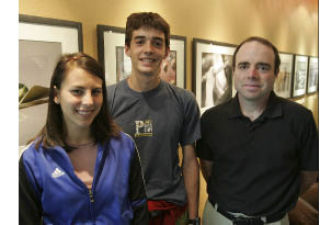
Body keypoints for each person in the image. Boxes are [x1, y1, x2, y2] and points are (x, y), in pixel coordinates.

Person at [196, 36, 318, 225]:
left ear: (276, 73)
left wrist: (278, 199)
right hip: (219, 219)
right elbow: (208, 170)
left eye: (263, 67)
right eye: (244, 66)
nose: (252, 74)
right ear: (234, 71)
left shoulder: (300, 119)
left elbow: (308, 175)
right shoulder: (212, 119)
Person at [19, 53, 149, 225]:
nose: (88, 101)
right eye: (77, 92)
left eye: (96, 91)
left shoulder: (124, 146)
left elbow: (139, 209)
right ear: (56, 95)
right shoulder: (33, 160)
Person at [107, 12, 201, 225]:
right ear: (128, 49)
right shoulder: (107, 100)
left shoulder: (184, 100)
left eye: (156, 43)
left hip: (172, 211)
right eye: (140, 42)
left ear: (166, 51)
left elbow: (189, 162)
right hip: (123, 210)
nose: (148, 50)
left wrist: (194, 218)